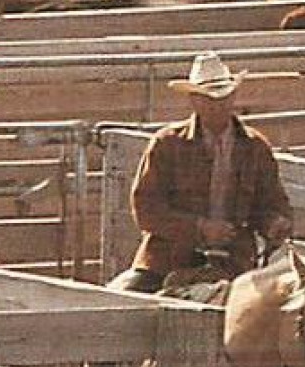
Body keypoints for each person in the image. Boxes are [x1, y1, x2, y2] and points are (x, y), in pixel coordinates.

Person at [109, 51, 294, 296]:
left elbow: (271, 203)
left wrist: (274, 223)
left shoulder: (255, 148)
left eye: (224, 97)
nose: (218, 105)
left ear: (234, 97)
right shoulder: (167, 144)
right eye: (209, 99)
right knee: (126, 304)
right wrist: (199, 228)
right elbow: (146, 209)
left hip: (234, 263)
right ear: (194, 100)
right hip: (166, 262)